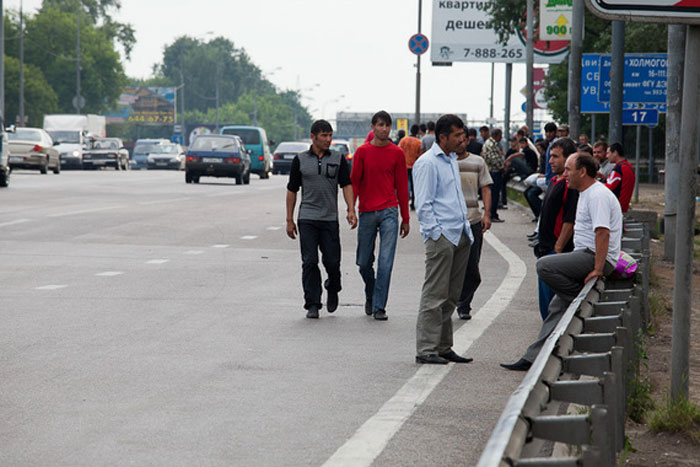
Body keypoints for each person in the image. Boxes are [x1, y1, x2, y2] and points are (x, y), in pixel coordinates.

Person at [501, 153, 622, 371]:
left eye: (568, 169)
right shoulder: (585, 193)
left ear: (582, 172)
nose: (564, 174)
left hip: (593, 257)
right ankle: (533, 358)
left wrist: (597, 268)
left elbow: (603, 233)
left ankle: (581, 302)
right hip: (586, 254)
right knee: (556, 307)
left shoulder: (597, 196)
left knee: (544, 265)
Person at [413, 114, 474, 364]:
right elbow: (423, 204)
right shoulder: (427, 163)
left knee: (451, 294)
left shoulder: (450, 159)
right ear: (443, 137)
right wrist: (436, 233)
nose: (463, 140)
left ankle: (443, 346)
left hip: (459, 232)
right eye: (458, 136)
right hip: (442, 236)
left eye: (463, 135)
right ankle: (426, 349)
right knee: (434, 294)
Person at [286, 120, 358, 319]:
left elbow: (346, 185)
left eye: (330, 136)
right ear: (313, 137)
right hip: (307, 218)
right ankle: (313, 303)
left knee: (332, 263)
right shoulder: (300, 160)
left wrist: (351, 209)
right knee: (309, 261)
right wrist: (289, 219)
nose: (328, 140)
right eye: (324, 136)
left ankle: (332, 286)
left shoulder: (338, 158)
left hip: (329, 220)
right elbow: (292, 190)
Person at [351, 110, 410, 321]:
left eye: (387, 125)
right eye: (380, 125)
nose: (384, 129)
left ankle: (379, 306)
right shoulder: (362, 152)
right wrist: (351, 209)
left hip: (389, 212)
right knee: (363, 262)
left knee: (386, 262)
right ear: (373, 127)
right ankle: (371, 290)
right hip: (366, 211)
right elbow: (354, 182)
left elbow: (402, 187)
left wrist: (406, 217)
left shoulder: (397, 153)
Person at [533, 138, 579, 320]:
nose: (550, 160)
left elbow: (570, 220)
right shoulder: (554, 180)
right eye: (550, 156)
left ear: (568, 158)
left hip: (556, 252)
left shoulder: (570, 186)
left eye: (555, 157)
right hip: (545, 249)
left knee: (553, 306)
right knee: (544, 303)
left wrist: (558, 248)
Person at [455, 127, 493, 320]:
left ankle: (464, 304)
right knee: (452, 266)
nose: (461, 143)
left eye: (464, 139)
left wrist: (487, 214)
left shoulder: (478, 162)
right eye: (457, 139)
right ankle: (453, 301)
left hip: (473, 220)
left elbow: (485, 188)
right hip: (451, 223)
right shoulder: (446, 162)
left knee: (472, 267)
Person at [480, 126, 505, 223]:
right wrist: (502, 167)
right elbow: (494, 159)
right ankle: (492, 214)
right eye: (500, 136)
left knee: (494, 194)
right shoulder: (492, 144)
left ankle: (493, 213)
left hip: (491, 171)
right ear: (497, 135)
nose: (501, 138)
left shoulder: (489, 143)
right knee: (494, 195)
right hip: (494, 172)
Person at [605, 142, 635, 213]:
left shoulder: (619, 168)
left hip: (616, 208)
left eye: (608, 153)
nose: (607, 156)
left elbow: (609, 187)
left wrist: (595, 183)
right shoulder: (628, 166)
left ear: (615, 153)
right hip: (623, 207)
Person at [398, 124, 422, 211]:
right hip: (414, 166)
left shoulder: (403, 140)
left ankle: (404, 201)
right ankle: (413, 203)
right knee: (414, 185)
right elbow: (420, 155)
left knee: (404, 184)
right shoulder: (419, 142)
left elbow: (399, 152)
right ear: (418, 132)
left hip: (403, 165)